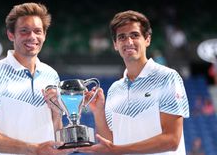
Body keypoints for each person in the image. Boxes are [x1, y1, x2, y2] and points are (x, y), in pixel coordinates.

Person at [77, 10, 189, 154]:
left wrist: (119, 150)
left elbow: (171, 140)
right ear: (115, 44)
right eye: (122, 37)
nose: (128, 42)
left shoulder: (167, 78)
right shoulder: (114, 89)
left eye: (135, 35)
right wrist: (98, 111)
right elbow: (111, 143)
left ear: (147, 39)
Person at [0, 2, 74, 155]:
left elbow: (54, 130)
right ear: (11, 34)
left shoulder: (51, 74)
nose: (32, 37)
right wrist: (34, 149)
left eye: (37, 31)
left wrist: (58, 115)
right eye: (24, 31)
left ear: (44, 35)